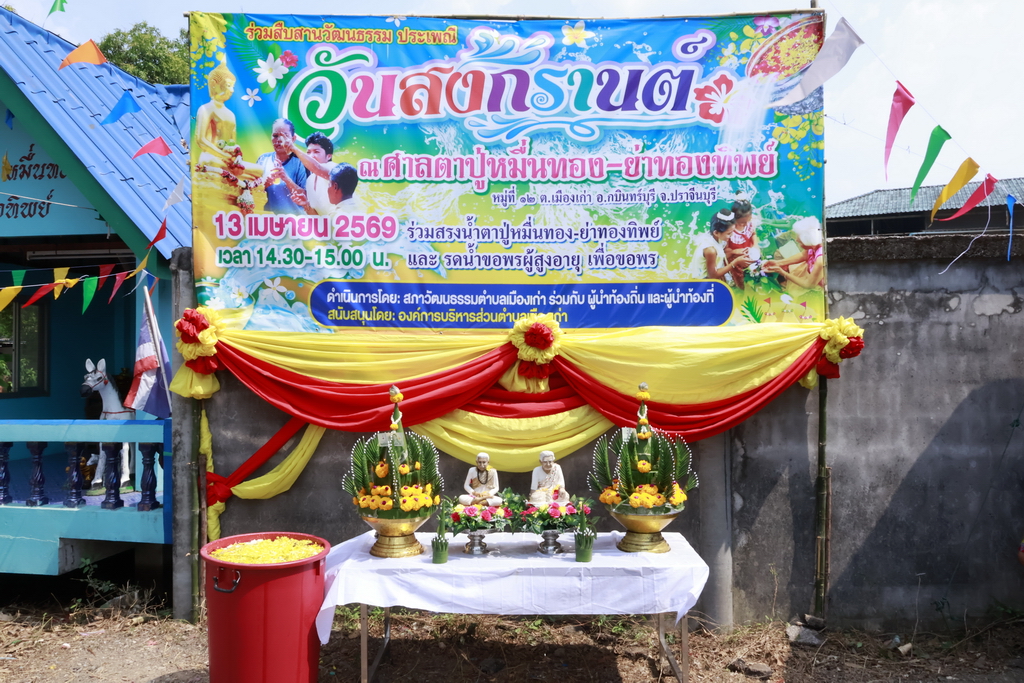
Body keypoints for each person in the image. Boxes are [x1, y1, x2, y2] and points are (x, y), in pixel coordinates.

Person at [194, 60, 262, 181]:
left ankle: (235, 175)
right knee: (212, 163)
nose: (232, 90)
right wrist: (223, 155)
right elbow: (201, 140)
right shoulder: (206, 109)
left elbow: (232, 143)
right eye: (228, 85)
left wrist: (236, 156)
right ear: (214, 84)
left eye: (233, 87)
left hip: (228, 160)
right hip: (211, 157)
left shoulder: (231, 114)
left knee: (260, 170)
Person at [257, 118, 309, 214]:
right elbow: (251, 193)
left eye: (285, 135)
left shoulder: (300, 162)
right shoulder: (263, 160)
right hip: (267, 220)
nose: (279, 140)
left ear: (293, 138)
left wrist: (286, 179)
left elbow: (307, 196)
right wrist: (265, 184)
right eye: (275, 136)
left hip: (295, 221)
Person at [688, 209, 751, 287]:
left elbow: (719, 256)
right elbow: (713, 276)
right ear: (716, 232)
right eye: (729, 233)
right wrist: (736, 262)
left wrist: (733, 252)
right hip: (703, 283)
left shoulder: (715, 237)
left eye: (733, 232)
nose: (731, 235)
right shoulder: (710, 250)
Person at [764, 216, 825, 291]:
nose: (796, 241)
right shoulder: (815, 243)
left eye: (800, 242)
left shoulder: (820, 260)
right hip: (807, 270)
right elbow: (803, 255)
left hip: (814, 284)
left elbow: (808, 285)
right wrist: (778, 263)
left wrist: (783, 273)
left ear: (810, 244)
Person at [289, 132, 338, 216]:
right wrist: (305, 205)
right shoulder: (310, 180)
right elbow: (316, 216)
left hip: (348, 222)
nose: (311, 156)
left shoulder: (335, 168)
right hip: (328, 224)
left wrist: (293, 148)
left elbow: (317, 167)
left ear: (329, 156)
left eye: (316, 152)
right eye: (308, 152)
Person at [725, 199, 759, 286]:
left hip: (750, 253)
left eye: (748, 221)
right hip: (736, 260)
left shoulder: (750, 221)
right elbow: (724, 253)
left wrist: (755, 245)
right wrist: (734, 251)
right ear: (734, 219)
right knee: (741, 279)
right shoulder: (729, 230)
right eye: (742, 223)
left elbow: (753, 233)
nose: (746, 224)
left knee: (755, 273)